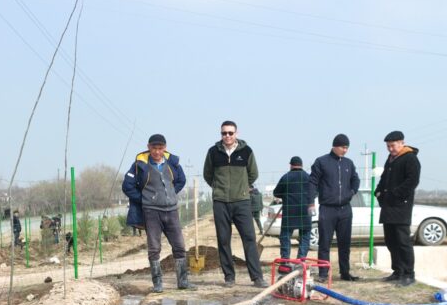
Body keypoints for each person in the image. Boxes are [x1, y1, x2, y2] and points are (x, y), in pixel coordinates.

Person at [122, 133, 195, 292]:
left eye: (160, 148)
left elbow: (181, 180)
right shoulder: (139, 165)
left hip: (172, 211)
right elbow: (127, 186)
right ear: (149, 147)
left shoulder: (172, 163)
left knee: (179, 246)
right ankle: (157, 284)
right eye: (154, 148)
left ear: (165, 148)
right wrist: (144, 199)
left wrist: (171, 193)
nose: (157, 151)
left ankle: (183, 282)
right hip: (152, 212)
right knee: (154, 248)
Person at [202, 120, 265, 287]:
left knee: (249, 238)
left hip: (242, 202)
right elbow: (208, 174)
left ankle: (257, 277)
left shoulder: (246, 151)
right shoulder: (213, 152)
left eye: (230, 133)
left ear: (236, 133)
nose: (227, 136)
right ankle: (229, 277)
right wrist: (218, 189)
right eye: (224, 133)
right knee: (223, 240)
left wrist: (242, 188)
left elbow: (253, 174)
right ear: (221, 134)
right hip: (220, 202)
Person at [309, 134, 361, 281]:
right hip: (327, 209)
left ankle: (345, 273)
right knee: (324, 243)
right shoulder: (321, 162)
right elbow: (312, 182)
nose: (345, 150)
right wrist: (311, 202)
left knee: (345, 243)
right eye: (343, 147)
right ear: (335, 146)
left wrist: (352, 192)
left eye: (347, 148)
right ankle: (323, 273)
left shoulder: (348, 163)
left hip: (345, 209)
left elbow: (355, 180)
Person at [374, 130, 422, 286]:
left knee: (403, 242)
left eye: (393, 146)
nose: (390, 149)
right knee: (391, 241)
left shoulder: (410, 158)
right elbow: (384, 179)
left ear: (402, 143)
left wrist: (395, 194)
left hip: (401, 206)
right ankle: (398, 271)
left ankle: (409, 274)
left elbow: (412, 181)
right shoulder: (390, 159)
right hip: (388, 206)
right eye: (388, 146)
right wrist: (378, 192)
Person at [272, 156, 313, 268]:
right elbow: (315, 192)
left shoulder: (286, 177)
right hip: (305, 211)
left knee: (285, 236)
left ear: (291, 165)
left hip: (290, 211)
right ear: (301, 165)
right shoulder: (308, 177)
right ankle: (301, 260)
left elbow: (276, 193)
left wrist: (285, 195)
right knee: (305, 235)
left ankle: (285, 260)